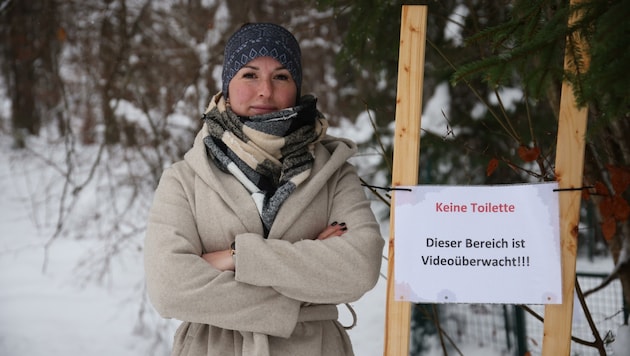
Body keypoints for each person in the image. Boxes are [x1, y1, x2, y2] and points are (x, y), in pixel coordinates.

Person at [144, 22, 384, 356]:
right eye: (250, 75)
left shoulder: (334, 174)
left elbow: (360, 268)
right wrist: (304, 279)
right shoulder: (184, 180)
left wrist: (236, 258)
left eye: (281, 76)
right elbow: (169, 287)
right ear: (228, 83)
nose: (265, 91)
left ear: (296, 86)